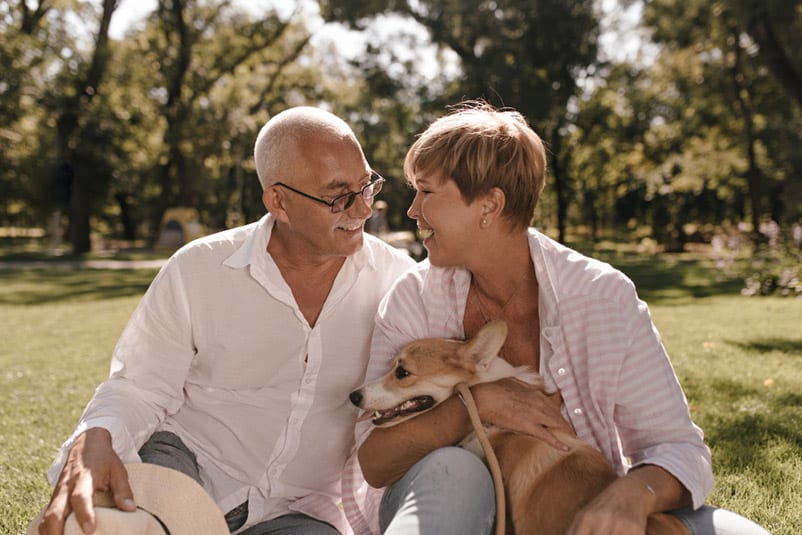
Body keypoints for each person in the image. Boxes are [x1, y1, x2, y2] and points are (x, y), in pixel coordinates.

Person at [343, 101, 769, 534]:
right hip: (444, 502)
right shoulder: (413, 299)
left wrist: (628, 497)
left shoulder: (602, 297)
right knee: (455, 468)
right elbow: (375, 463)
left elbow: (679, 449)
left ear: (489, 204)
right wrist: (480, 403)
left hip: (572, 510)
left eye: (427, 191)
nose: (413, 210)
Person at [35, 106, 415, 535]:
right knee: (107, 528)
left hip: (300, 509)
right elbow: (140, 385)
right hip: (185, 467)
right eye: (339, 195)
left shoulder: (398, 283)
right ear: (279, 201)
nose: (363, 209)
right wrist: (96, 434)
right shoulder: (199, 268)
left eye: (366, 185)